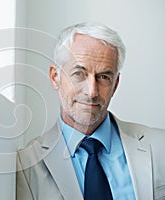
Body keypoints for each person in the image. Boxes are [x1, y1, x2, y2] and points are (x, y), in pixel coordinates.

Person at [16, 22, 165, 200]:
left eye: (104, 77)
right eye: (79, 74)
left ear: (115, 84)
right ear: (55, 77)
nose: (92, 91)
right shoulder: (26, 165)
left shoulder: (160, 146)